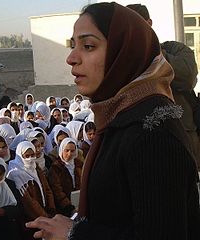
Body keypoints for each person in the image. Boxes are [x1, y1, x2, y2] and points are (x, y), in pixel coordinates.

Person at [26, 2, 200, 239]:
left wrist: (75, 234)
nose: (71, 58)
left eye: (88, 46)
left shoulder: (152, 132)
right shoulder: (119, 117)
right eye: (73, 45)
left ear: (124, 52)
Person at [126, 3, 200, 171]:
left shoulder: (174, 49)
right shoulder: (121, 60)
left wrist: (154, 52)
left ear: (148, 23)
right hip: (141, 139)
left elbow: (187, 75)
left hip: (181, 134)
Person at [48, 138, 82, 217]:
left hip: (79, 204)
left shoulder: (79, 164)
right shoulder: (56, 168)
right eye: (66, 150)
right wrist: (69, 206)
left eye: (72, 151)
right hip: (64, 208)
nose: (69, 154)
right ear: (61, 150)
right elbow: (57, 190)